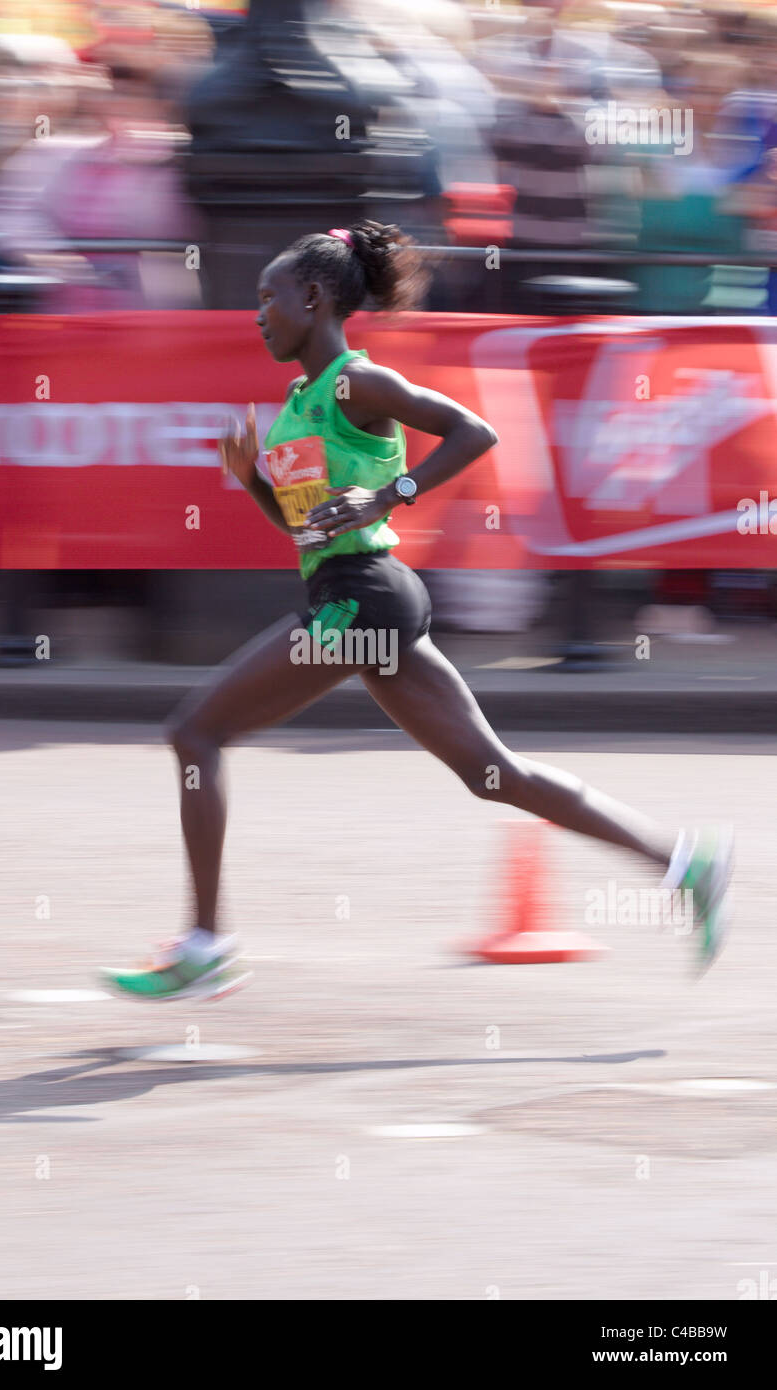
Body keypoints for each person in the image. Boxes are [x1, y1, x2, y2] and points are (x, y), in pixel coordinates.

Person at [101, 220, 732, 1001]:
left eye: (269, 297)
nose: (257, 313)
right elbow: (308, 532)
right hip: (361, 599)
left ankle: (205, 945)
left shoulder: (356, 383)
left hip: (363, 602)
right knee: (495, 774)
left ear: (314, 296)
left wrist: (388, 492)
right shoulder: (302, 401)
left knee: (196, 731)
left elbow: (475, 431)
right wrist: (255, 481)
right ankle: (685, 863)